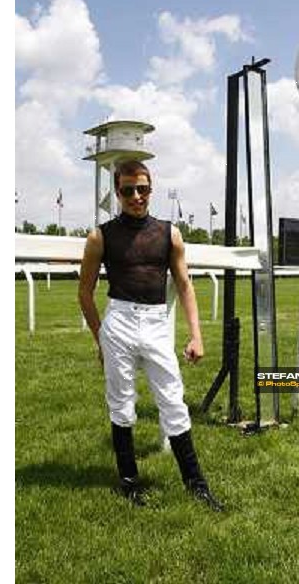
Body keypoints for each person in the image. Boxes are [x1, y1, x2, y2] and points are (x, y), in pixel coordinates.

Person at [78, 159, 223, 511]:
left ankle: (196, 485)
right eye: (128, 190)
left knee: (173, 401)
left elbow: (185, 286)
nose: (136, 196)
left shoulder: (170, 233)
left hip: (158, 323)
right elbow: (85, 293)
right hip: (119, 323)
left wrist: (196, 336)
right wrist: (101, 340)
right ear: (118, 193)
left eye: (142, 189)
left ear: (150, 189)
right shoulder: (100, 236)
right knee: (121, 403)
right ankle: (129, 483)